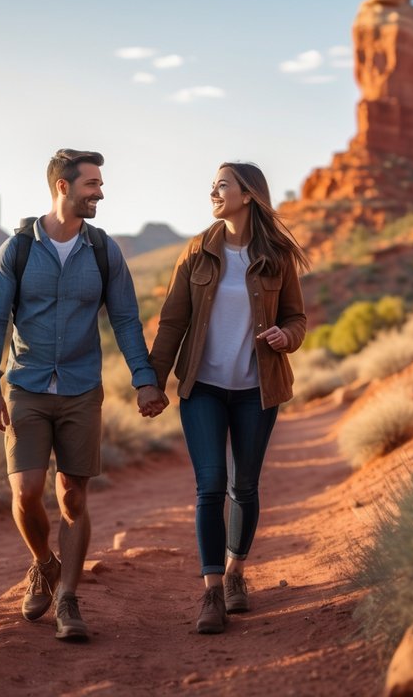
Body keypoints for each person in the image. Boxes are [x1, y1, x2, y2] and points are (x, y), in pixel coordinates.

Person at [0, 148, 168, 642]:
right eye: (92, 185)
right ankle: (45, 562)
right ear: (63, 187)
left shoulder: (103, 250)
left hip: (83, 388)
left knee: (73, 496)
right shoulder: (16, 250)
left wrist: (144, 378)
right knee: (25, 492)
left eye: (100, 184)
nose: (100, 192)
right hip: (26, 386)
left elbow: (126, 319)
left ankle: (68, 599)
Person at [148, 162, 308, 634]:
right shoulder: (198, 251)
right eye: (214, 186)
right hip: (204, 388)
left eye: (222, 185)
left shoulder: (277, 255)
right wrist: (152, 382)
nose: (213, 192)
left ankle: (237, 572)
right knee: (211, 484)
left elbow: (298, 317)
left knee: (246, 486)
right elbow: (173, 321)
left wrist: (287, 336)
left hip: (258, 389)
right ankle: (212, 591)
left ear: (248, 195)